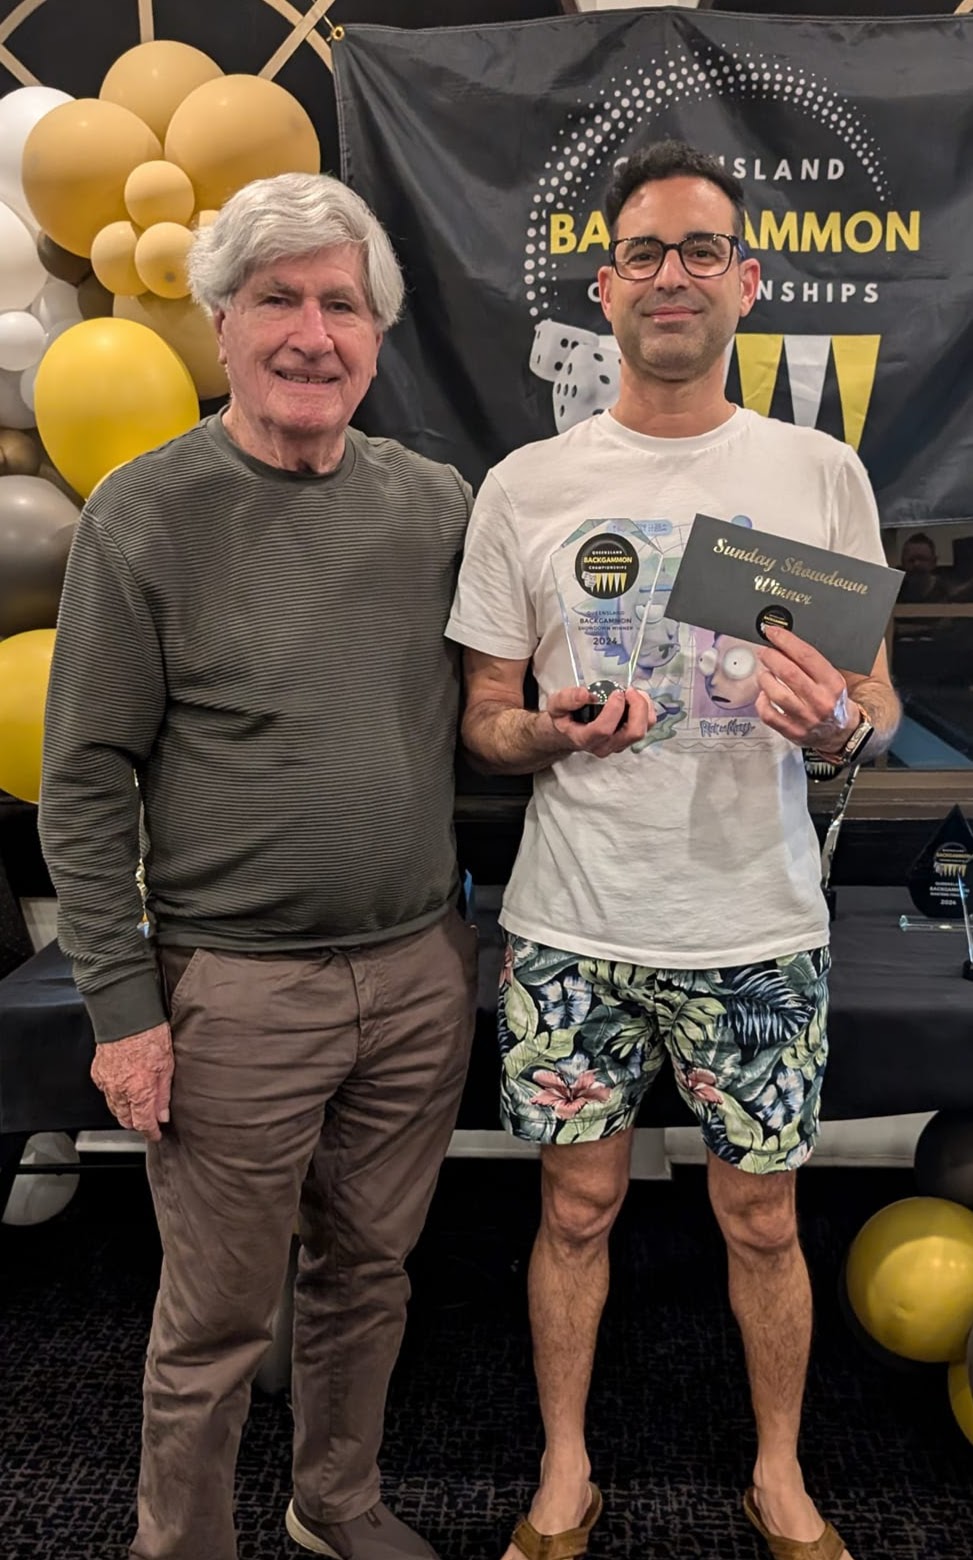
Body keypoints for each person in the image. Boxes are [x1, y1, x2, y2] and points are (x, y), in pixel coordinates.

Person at [446, 140, 901, 1560]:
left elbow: (873, 707)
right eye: (645, 251)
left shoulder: (817, 471)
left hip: (755, 921)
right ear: (607, 284)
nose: (672, 276)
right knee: (573, 1206)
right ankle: (565, 1469)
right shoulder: (523, 484)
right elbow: (481, 721)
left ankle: (778, 1473)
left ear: (748, 283)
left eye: (702, 250)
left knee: (763, 1225)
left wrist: (837, 724)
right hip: (576, 918)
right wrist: (549, 730)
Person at [39, 171, 477, 1560]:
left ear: (376, 336)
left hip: (416, 971)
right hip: (234, 995)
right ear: (220, 324)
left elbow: (510, 692)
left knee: (370, 1278)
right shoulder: (140, 515)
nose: (311, 332)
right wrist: (123, 1011)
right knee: (217, 1318)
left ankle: (331, 1502)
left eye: (339, 305)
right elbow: (85, 779)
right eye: (276, 300)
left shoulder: (433, 508)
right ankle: (184, 1544)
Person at [897, 531, 948, 602]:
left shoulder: (948, 593)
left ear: (933, 562)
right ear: (903, 563)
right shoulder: (895, 592)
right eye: (911, 560)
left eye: (922, 559)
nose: (916, 564)